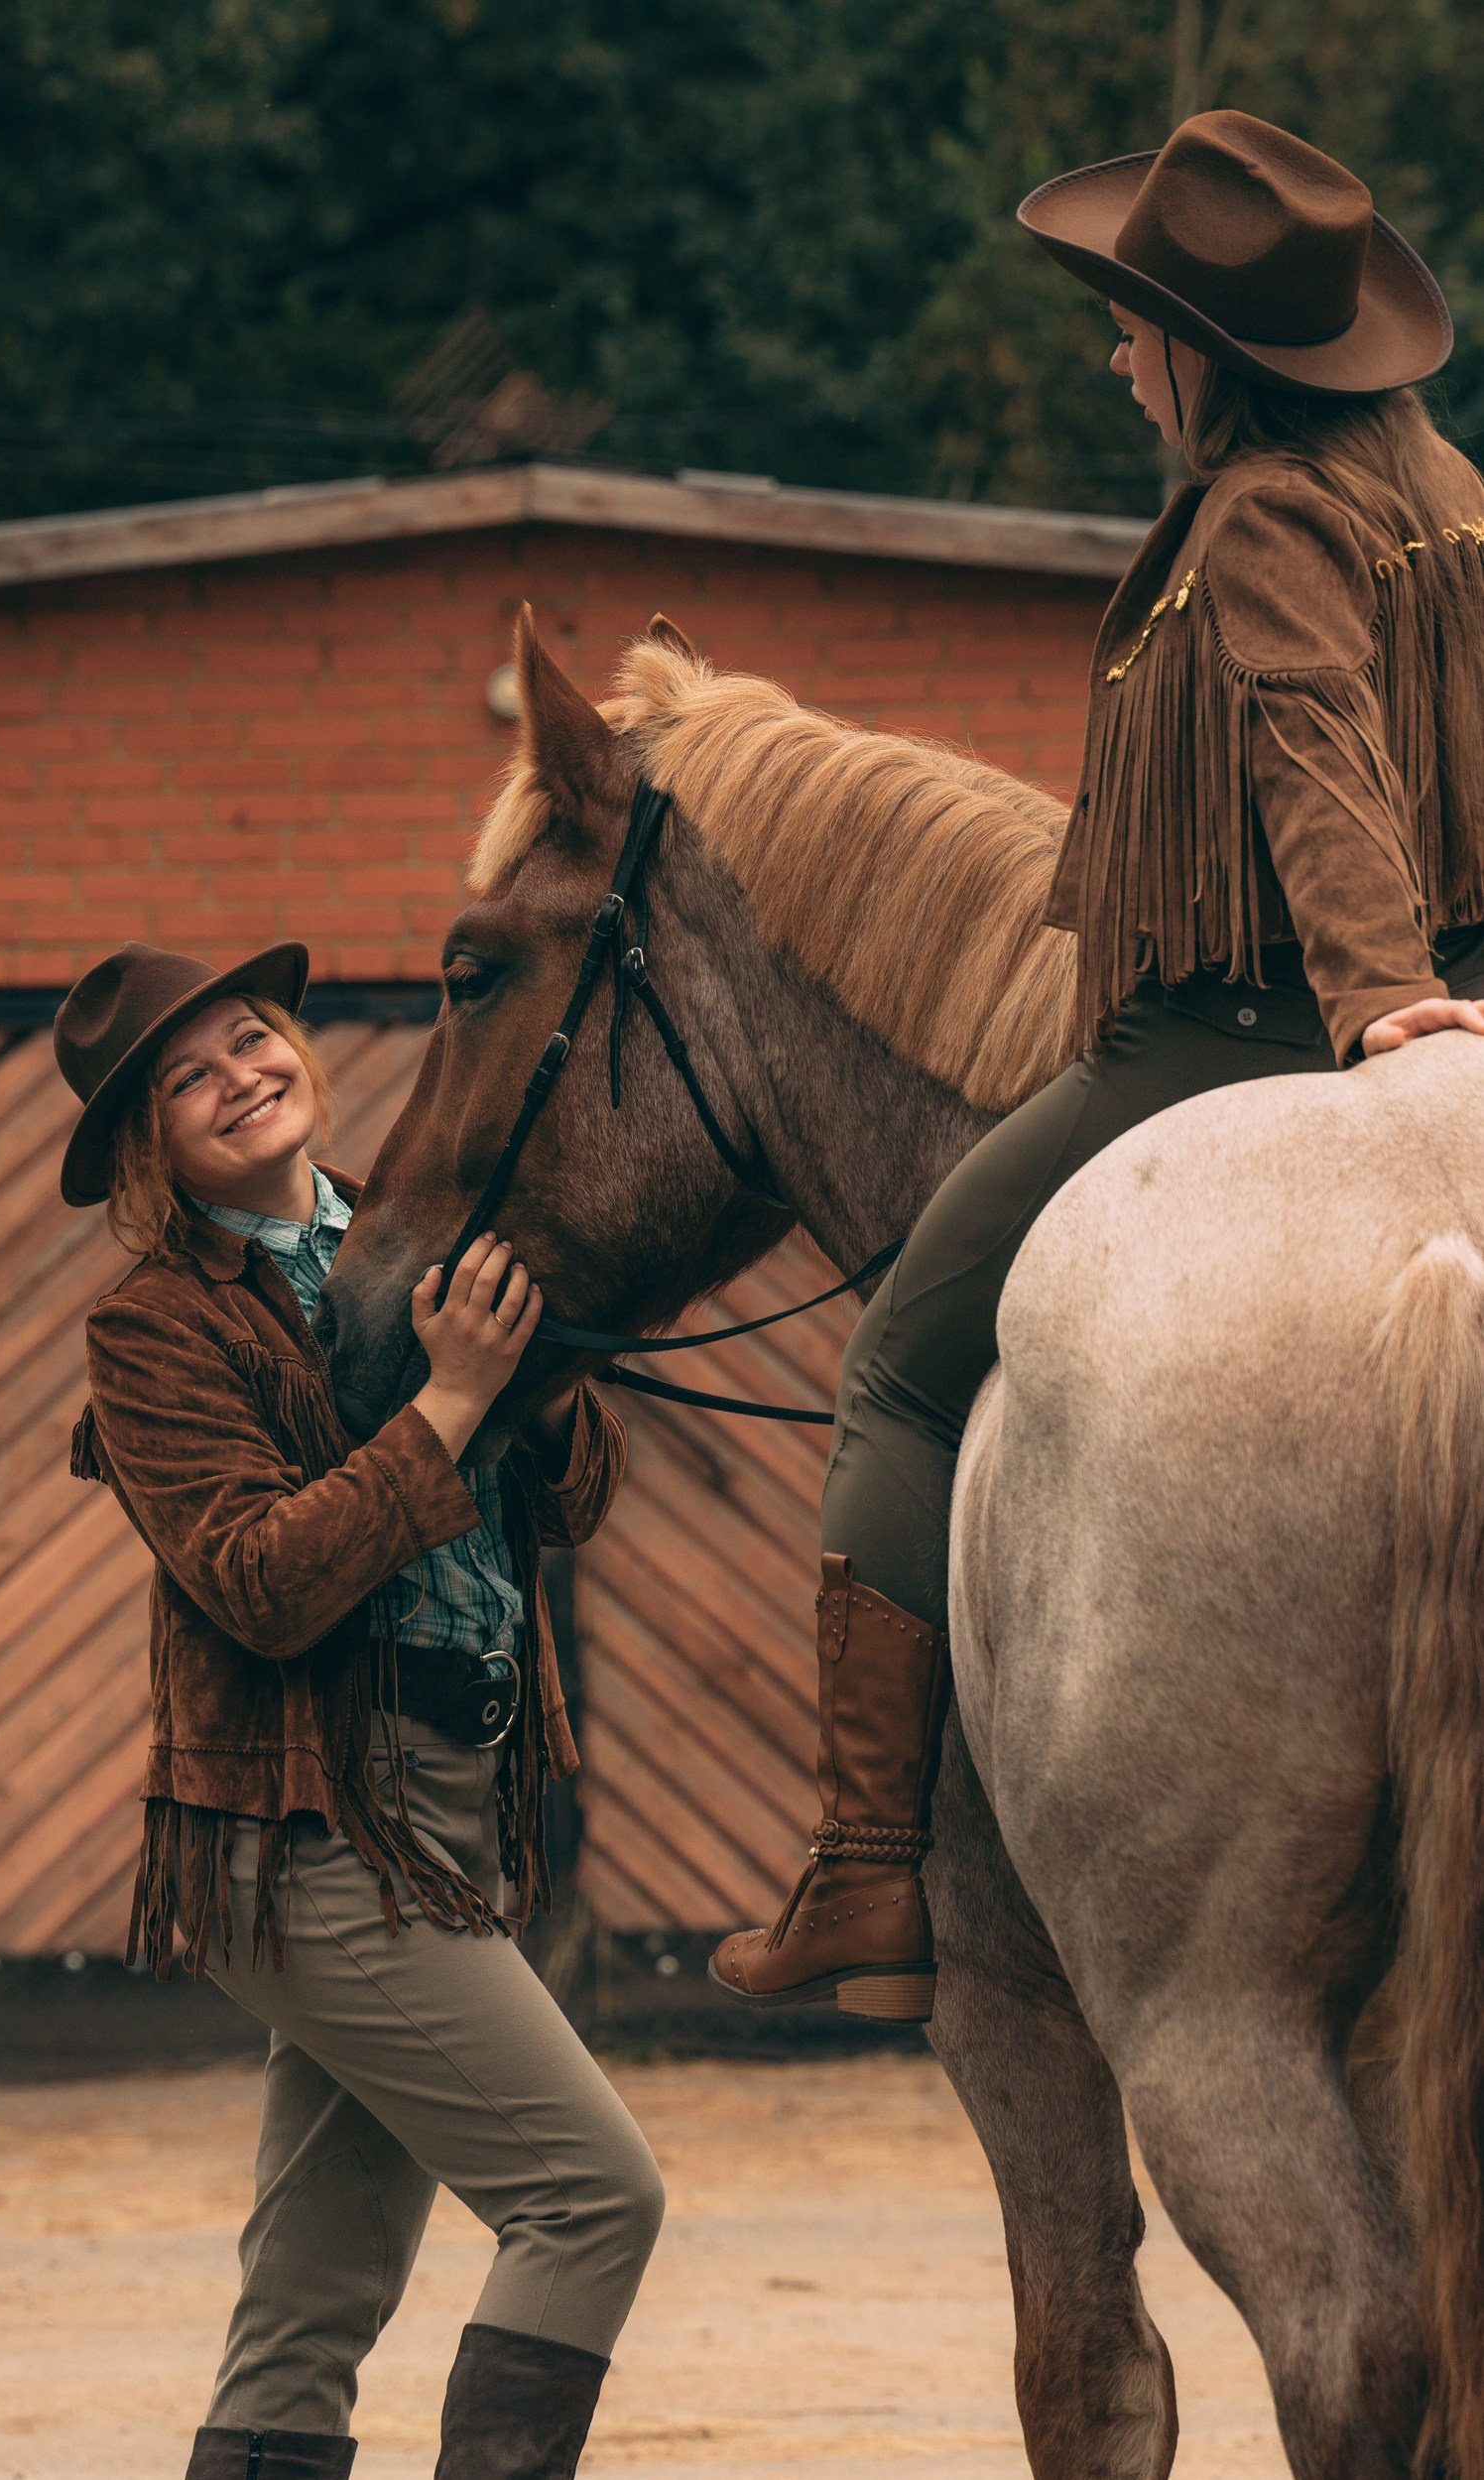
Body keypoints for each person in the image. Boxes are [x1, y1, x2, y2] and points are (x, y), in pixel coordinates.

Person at [711, 109, 1484, 2021]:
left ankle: (864, 1870)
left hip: (1229, 1029)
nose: (1113, 355)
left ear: (1209, 357)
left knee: (899, 1366)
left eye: (1133, 328)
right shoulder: (1450, 492)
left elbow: (1310, 741)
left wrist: (1378, 995)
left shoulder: (1263, 516)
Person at [54, 939, 664, 2480]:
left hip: (459, 1796)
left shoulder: (410, 1237)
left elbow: (574, 1504)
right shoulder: (152, 1329)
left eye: (253, 1039)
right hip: (304, 1822)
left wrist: (532, 1378)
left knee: (306, 2310)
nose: (239, 1078)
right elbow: (260, 1580)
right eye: (186, 1079)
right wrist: (450, 1399)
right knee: (591, 2198)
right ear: (145, 1146)